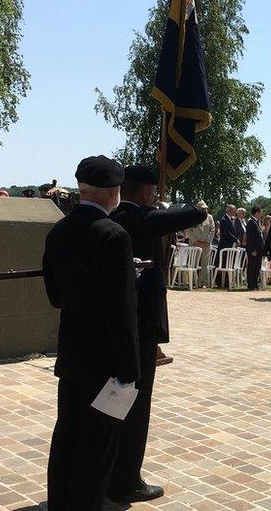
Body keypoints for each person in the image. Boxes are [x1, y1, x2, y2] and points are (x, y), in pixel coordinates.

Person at [42, 156, 140, 510]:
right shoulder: (114, 235)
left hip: (72, 354)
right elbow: (122, 310)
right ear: (113, 192)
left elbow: (55, 296)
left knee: (67, 436)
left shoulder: (58, 231)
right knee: (96, 449)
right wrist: (130, 368)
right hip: (105, 361)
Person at [107, 165, 205, 503]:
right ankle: (127, 479)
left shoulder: (115, 216)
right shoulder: (142, 219)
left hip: (116, 327)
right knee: (135, 406)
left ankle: (109, 472)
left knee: (114, 404)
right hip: (141, 328)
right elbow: (195, 213)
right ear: (148, 192)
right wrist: (163, 208)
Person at [185, 201, 215, 288]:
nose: (204, 210)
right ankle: (193, 282)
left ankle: (203, 283)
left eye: (205, 209)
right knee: (193, 263)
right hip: (194, 245)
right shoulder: (192, 217)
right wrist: (196, 242)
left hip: (206, 245)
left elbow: (212, 229)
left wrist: (207, 242)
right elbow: (189, 230)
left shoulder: (210, 217)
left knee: (204, 265)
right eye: (202, 209)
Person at [245, 205, 265, 290]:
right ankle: (250, 284)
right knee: (252, 266)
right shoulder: (251, 222)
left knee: (257, 267)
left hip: (259, 249)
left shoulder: (257, 222)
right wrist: (253, 249)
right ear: (256, 213)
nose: (261, 214)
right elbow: (250, 237)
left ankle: (255, 283)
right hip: (253, 249)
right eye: (260, 212)